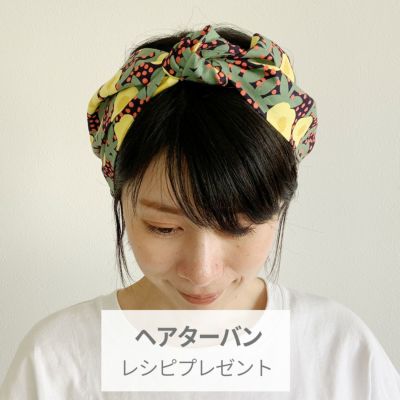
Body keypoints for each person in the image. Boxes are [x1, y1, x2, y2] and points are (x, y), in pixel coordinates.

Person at [1, 23, 399, 399]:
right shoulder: (54, 363)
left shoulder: (342, 353)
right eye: (163, 227)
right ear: (120, 198)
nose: (201, 272)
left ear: (279, 206)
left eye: (237, 226)